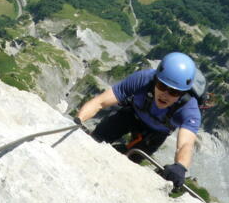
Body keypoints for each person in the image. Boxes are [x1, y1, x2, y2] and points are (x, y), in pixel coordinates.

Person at [75, 52, 201, 189]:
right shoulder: (143, 79)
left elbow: (186, 144)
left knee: (128, 163)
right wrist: (78, 121)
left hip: (154, 135)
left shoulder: (189, 109)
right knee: (98, 136)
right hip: (131, 116)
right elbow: (100, 102)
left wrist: (180, 167)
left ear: (183, 93)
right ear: (155, 80)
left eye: (174, 92)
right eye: (162, 86)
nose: (166, 95)